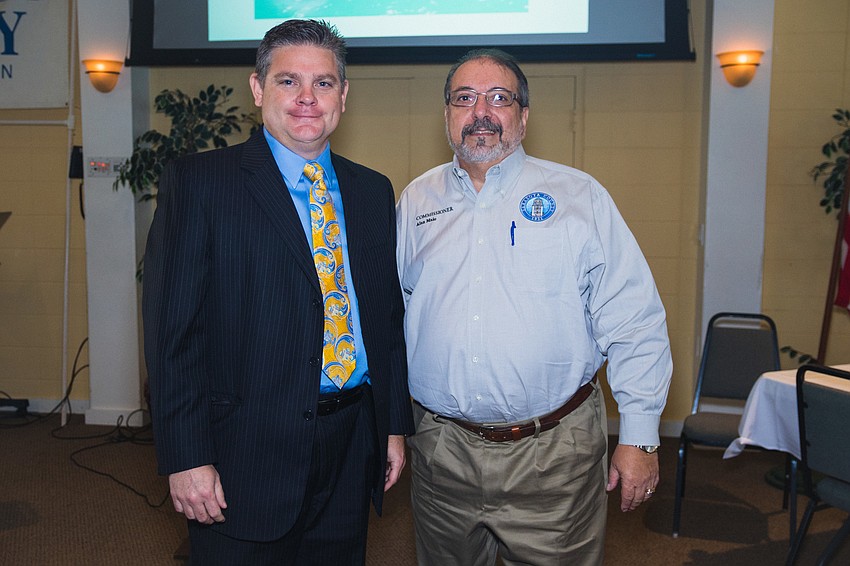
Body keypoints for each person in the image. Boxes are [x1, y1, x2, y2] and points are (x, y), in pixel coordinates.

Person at [143, 19, 414, 565]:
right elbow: (172, 333)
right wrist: (185, 455)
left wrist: (391, 427)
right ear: (258, 88)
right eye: (289, 81)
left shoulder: (370, 190)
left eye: (324, 83)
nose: (307, 99)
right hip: (242, 455)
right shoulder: (200, 183)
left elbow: (383, 318)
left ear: (344, 94)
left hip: (350, 444)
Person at [395, 48, 673, 565]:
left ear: (523, 116)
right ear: (447, 116)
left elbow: (634, 320)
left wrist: (640, 437)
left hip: (555, 455)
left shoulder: (578, 197)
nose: (481, 112)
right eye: (465, 99)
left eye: (499, 98)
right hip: (440, 453)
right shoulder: (415, 202)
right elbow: (393, 319)